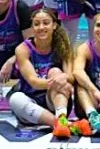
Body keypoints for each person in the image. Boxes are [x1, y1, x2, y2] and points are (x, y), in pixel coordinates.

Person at [6, 7, 79, 138]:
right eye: (37, 24)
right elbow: (34, 82)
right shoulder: (22, 49)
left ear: (54, 25)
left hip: (55, 101)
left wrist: (62, 77)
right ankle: (62, 124)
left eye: (46, 23)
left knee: (55, 71)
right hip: (32, 102)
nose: (41, 27)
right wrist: (58, 81)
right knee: (15, 99)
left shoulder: (63, 45)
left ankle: (61, 117)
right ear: (32, 27)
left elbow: (70, 76)